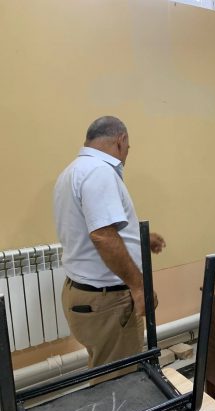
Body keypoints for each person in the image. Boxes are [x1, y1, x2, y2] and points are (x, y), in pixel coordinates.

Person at [53, 116, 166, 369]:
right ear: (121, 140)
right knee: (118, 381)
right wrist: (139, 287)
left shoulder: (72, 171)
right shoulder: (99, 172)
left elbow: (92, 229)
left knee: (104, 370)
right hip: (108, 302)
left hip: (83, 295)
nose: (126, 156)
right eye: (128, 148)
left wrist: (139, 238)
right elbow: (103, 236)